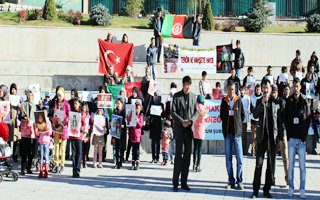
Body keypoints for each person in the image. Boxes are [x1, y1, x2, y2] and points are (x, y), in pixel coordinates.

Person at [251, 81, 284, 199]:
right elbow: (254, 115)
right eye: (264, 87)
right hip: (261, 138)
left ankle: (267, 189)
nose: (265, 90)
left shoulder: (276, 103)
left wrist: (280, 138)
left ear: (271, 89)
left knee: (271, 165)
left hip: (272, 139)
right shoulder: (259, 101)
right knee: (259, 164)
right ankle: (255, 190)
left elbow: (280, 123)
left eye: (267, 88)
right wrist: (262, 104)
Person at [172, 76, 198, 192]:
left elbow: (196, 112)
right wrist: (182, 121)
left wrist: (191, 121)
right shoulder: (177, 96)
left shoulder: (193, 97)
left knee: (187, 157)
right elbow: (173, 112)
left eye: (189, 84)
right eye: (186, 84)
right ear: (183, 85)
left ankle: (184, 182)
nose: (188, 86)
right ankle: (175, 183)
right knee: (178, 157)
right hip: (180, 130)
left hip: (189, 131)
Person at [285, 78, 309, 199]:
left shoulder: (304, 100)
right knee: (291, 166)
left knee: (302, 166)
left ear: (300, 87)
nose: (295, 88)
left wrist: (304, 135)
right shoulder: (288, 100)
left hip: (301, 139)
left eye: (297, 86)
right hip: (291, 138)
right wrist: (288, 134)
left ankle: (302, 188)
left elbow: (308, 118)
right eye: (294, 86)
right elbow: (285, 117)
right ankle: (291, 187)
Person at [220, 81, 244, 190]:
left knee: (239, 159)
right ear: (227, 90)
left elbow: (242, 116)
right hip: (227, 134)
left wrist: (238, 126)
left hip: (237, 134)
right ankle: (231, 180)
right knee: (228, 159)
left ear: (235, 90)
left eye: (233, 89)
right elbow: (221, 115)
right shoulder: (224, 101)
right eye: (229, 89)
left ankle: (240, 181)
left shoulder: (238, 100)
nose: (231, 91)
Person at [52, 87, 70, 174]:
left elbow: (68, 115)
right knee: (56, 146)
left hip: (63, 127)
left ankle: (62, 164)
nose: (58, 97)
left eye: (60, 95)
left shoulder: (66, 104)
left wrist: (63, 123)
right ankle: (56, 164)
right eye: (57, 95)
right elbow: (54, 114)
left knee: (63, 147)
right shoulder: (55, 103)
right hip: (56, 127)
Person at [19, 90, 36, 175]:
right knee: (24, 151)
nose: (30, 97)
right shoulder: (23, 104)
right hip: (25, 129)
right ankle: (23, 168)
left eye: (31, 95)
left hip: (32, 130)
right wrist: (23, 116)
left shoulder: (34, 105)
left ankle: (29, 167)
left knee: (31, 151)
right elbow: (19, 116)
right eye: (28, 95)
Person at [35, 109, 52, 178]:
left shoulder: (48, 122)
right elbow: (38, 133)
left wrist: (47, 129)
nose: (44, 115)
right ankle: (41, 171)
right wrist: (37, 130)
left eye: (45, 114)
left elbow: (50, 133)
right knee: (41, 156)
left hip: (47, 141)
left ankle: (46, 172)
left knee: (46, 156)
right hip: (41, 141)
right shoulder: (39, 122)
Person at [149, 90, 164, 164]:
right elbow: (149, 114)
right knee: (152, 142)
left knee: (157, 143)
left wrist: (162, 111)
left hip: (158, 125)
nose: (155, 97)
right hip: (152, 124)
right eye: (154, 96)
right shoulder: (151, 103)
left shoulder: (161, 104)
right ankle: (153, 157)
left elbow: (163, 115)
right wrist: (150, 110)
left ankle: (157, 157)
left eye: (157, 96)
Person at [193, 95, 207, 172]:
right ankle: (198, 165)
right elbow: (205, 115)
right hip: (201, 128)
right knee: (199, 149)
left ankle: (194, 164)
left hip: (195, 128)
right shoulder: (204, 108)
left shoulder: (195, 107)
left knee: (195, 148)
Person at [164, 82, 177, 164]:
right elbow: (166, 111)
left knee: (173, 141)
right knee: (169, 140)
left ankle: (173, 158)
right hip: (169, 122)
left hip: (175, 122)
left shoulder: (176, 99)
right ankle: (170, 157)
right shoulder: (168, 99)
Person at [129, 101, 143, 170]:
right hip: (132, 135)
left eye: (138, 108)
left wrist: (137, 121)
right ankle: (133, 162)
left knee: (137, 150)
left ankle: (137, 162)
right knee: (133, 150)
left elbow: (140, 125)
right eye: (136, 109)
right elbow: (129, 125)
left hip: (137, 135)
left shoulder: (140, 116)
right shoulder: (132, 115)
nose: (137, 110)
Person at [112, 98, 126, 169]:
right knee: (116, 148)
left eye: (119, 103)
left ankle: (120, 162)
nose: (117, 105)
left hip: (122, 133)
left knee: (121, 148)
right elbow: (113, 121)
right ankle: (116, 162)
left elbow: (125, 124)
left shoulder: (123, 113)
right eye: (116, 103)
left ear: (122, 104)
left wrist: (121, 125)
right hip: (116, 133)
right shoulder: (115, 112)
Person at [8, 83, 20, 162]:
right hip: (9, 119)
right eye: (12, 89)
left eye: (14, 89)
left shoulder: (19, 99)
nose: (13, 91)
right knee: (9, 138)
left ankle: (15, 155)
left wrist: (19, 106)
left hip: (16, 120)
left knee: (15, 138)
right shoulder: (8, 98)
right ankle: (9, 154)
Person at [66, 88, 78, 160]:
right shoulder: (69, 102)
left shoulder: (77, 101)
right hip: (69, 121)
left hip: (75, 122)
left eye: (73, 94)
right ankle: (67, 154)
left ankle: (73, 155)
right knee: (68, 140)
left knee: (74, 140)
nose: (72, 95)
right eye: (71, 94)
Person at [239, 86, 250, 155]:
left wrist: (243, 110)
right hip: (238, 119)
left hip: (244, 119)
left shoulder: (247, 98)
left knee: (244, 136)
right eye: (241, 90)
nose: (242, 92)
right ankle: (239, 150)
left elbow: (248, 109)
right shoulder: (238, 98)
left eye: (243, 90)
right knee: (238, 135)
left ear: (245, 91)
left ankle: (244, 151)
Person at [81, 102, 92, 168]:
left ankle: (85, 161)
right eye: (83, 107)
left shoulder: (88, 116)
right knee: (81, 148)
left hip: (87, 133)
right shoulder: (80, 115)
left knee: (86, 149)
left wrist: (90, 126)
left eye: (85, 107)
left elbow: (91, 123)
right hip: (82, 133)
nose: (84, 109)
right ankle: (81, 161)